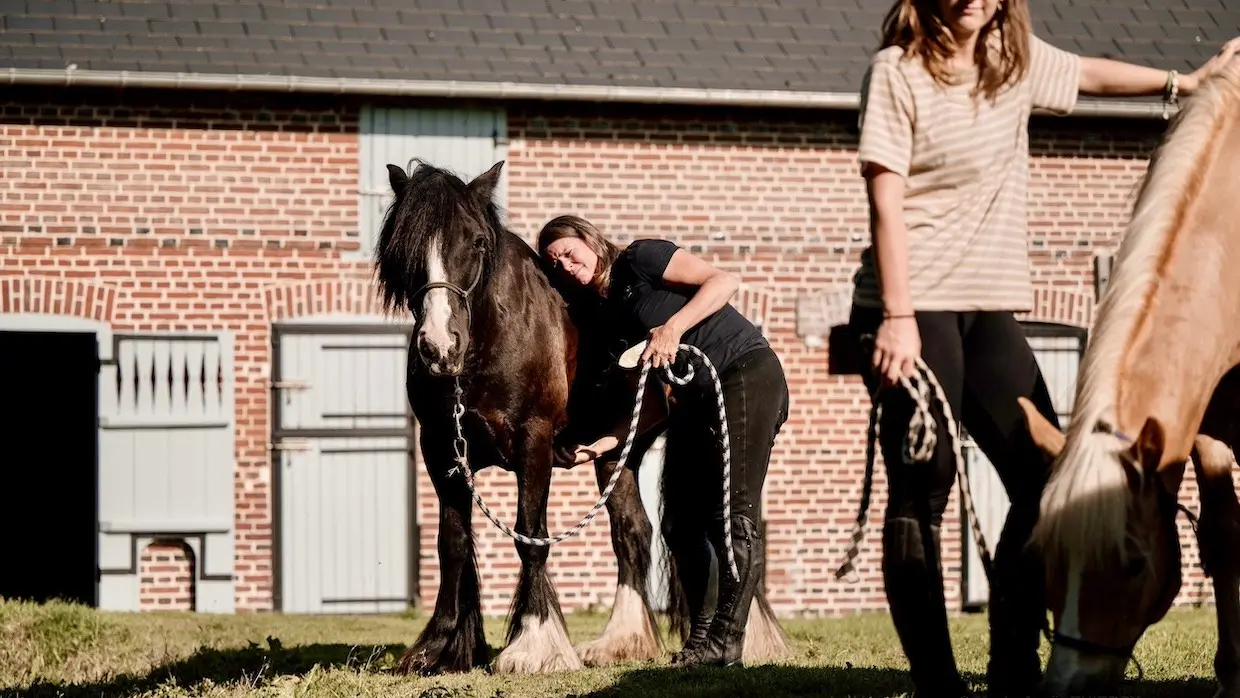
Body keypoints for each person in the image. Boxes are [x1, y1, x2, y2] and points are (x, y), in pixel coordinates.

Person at [849, 0, 1240, 695]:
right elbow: (887, 199)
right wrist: (899, 317)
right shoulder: (897, 72)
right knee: (923, 486)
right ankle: (938, 684)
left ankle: (1012, 669)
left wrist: (1185, 82)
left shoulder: (1013, 66)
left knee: (1044, 480)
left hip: (987, 305)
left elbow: (1088, 73)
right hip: (912, 306)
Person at [537, 214, 790, 668]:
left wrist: (673, 326)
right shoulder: (607, 318)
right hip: (690, 401)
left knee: (735, 517)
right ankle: (701, 638)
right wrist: (599, 446)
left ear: (589, 239)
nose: (566, 267)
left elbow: (722, 282)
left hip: (744, 373)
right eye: (555, 264)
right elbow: (653, 402)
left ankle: (726, 643)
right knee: (680, 523)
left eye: (569, 253)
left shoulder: (641, 258)